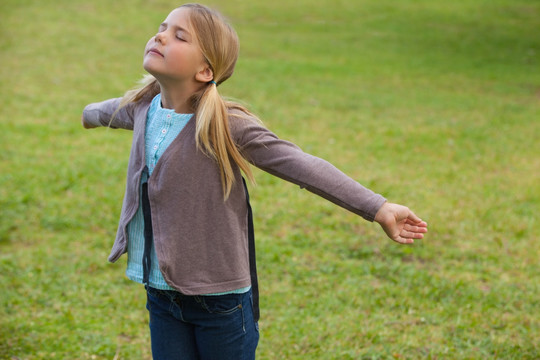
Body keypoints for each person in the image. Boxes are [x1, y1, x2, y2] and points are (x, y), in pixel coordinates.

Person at [81, 3, 428, 360]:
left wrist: (378, 207)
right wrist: (88, 115)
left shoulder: (224, 123)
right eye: (163, 27)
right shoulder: (143, 107)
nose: (160, 35)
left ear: (205, 70)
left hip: (219, 303)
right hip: (161, 293)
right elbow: (109, 110)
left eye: (179, 35)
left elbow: (300, 164)